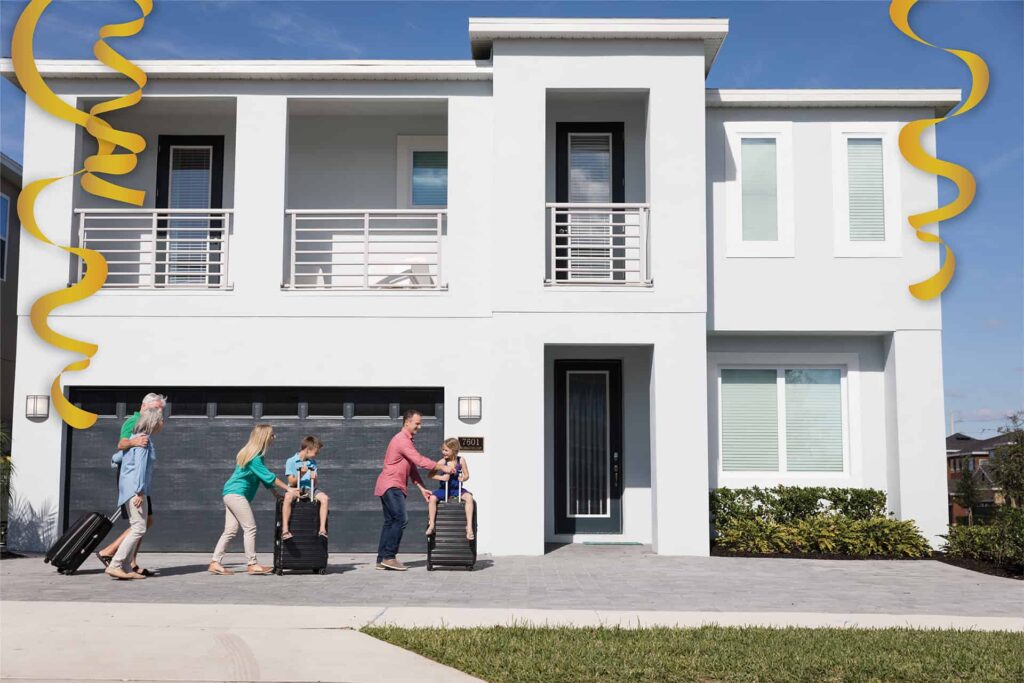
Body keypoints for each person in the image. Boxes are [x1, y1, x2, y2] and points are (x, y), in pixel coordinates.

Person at [208, 424, 297, 575]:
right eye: (272, 435)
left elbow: (262, 478)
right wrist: (288, 488)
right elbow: (269, 477)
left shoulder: (253, 455)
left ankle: (215, 562)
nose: (274, 437)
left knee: (230, 530)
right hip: (237, 494)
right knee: (250, 528)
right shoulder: (255, 458)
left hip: (230, 493)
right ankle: (252, 564)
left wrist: (274, 493)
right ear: (264, 437)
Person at [374, 409, 455, 571]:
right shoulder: (401, 440)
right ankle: (389, 557)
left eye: (420, 423)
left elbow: (412, 469)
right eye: (417, 423)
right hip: (391, 485)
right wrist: (442, 467)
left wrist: (422, 488)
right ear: (407, 422)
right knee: (401, 519)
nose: (420, 426)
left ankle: (382, 559)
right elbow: (419, 460)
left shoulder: (407, 441)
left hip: (388, 485)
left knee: (390, 522)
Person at [96, 393, 166, 576]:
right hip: (135, 488)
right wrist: (139, 492)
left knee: (142, 524)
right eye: (159, 415)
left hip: (134, 486)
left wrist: (119, 459)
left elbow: (120, 456)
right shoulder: (141, 437)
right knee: (138, 527)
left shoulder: (141, 437)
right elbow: (129, 455)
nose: (162, 419)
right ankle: (115, 563)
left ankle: (127, 566)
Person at [424, 438, 475, 541]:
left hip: (457, 489)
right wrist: (442, 478)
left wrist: (463, 478)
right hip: (444, 489)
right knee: (432, 498)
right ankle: (432, 525)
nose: (443, 452)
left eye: (446, 450)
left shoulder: (461, 460)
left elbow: (467, 475)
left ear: (454, 450)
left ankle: (469, 527)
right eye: (443, 449)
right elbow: (430, 475)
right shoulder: (442, 462)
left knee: (469, 497)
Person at [281, 435, 330, 540]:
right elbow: (290, 481)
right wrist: (301, 474)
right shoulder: (291, 461)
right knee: (288, 497)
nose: (316, 455)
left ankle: (322, 529)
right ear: (308, 450)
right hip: (295, 487)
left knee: (324, 498)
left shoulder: (313, 463)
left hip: (309, 488)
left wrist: (314, 478)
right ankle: (285, 530)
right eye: (315, 452)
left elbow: (314, 483)